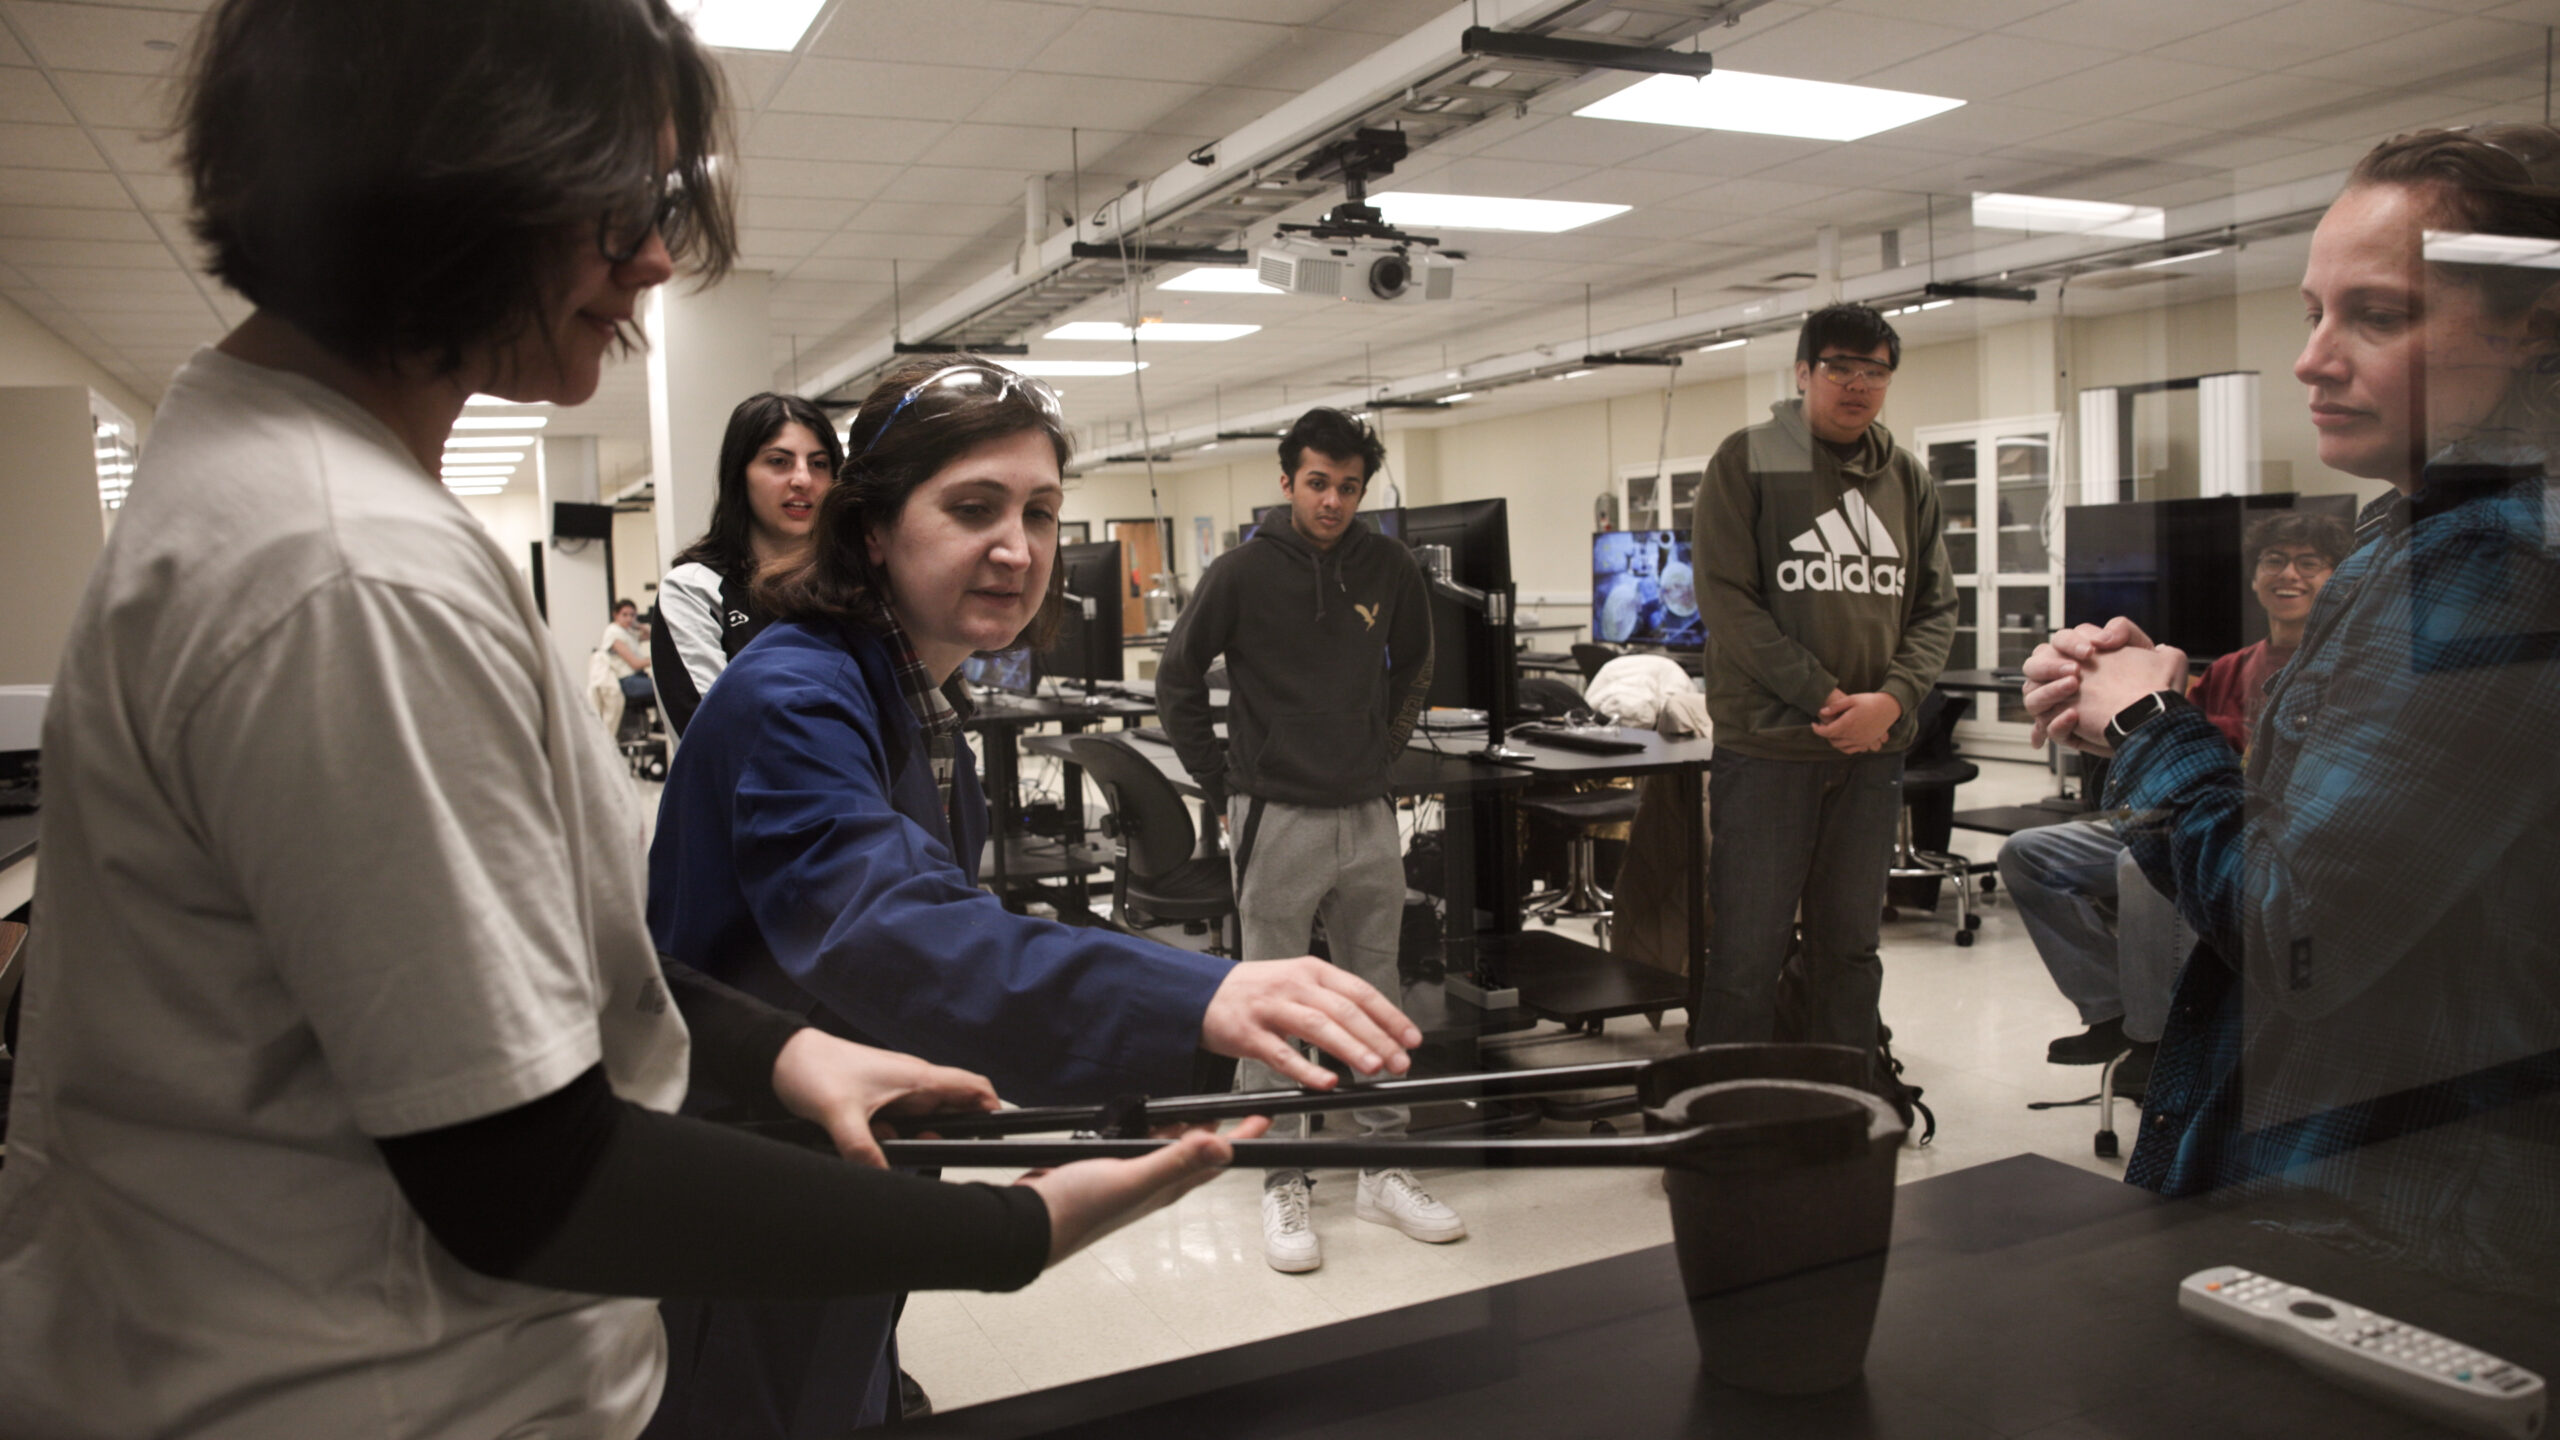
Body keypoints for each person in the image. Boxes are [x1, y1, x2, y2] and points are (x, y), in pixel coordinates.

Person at [0, 5, 1256, 1437]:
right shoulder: (346, 570)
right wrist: (1011, 1234)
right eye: (625, 201)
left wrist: (781, 1051)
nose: (657, 258)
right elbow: (529, 1178)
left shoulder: (282, 490)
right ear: (445, 171)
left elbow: (551, 987)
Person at [647, 361, 1425, 1432]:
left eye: (1041, 512)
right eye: (973, 509)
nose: (1018, 547)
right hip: (753, 1191)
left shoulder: (902, 692)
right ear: (870, 529)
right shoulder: (794, 697)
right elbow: (891, 926)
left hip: (842, 1160)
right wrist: (1195, 998)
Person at [2021, 125, 2560, 1292]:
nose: (2313, 359)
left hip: (2393, 1222)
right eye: (2312, 313)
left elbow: (2292, 929)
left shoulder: (2489, 569)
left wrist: (2145, 727)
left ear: (2533, 326)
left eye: (2374, 316)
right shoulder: (2421, 532)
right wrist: (2148, 689)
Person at [1156, 406, 1452, 1275]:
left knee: (1376, 992)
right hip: (1271, 812)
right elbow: (1178, 680)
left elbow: (1418, 667)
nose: (1332, 501)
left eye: (1349, 487)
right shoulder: (1240, 573)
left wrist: (1381, 754)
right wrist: (1222, 784)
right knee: (1273, 1006)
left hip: (1366, 811)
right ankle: (1280, 1170)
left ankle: (1380, 1163)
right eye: (1317, 483)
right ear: (1287, 481)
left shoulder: (1389, 565)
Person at [1999, 511, 2350, 1093]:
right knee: (2029, 854)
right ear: (2255, 575)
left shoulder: (2339, 670)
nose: (2289, 575)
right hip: (2184, 812)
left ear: (2335, 577)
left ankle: (2153, 1041)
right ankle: (2112, 1009)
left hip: (2259, 833)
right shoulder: (2230, 669)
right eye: (2274, 560)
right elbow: (2162, 752)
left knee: (2138, 865)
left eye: (2308, 563)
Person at [1691, 303, 1959, 1060]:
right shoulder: (1750, 460)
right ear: (1803, 372)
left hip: (1872, 753)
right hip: (1774, 749)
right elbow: (1728, 602)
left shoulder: (1905, 477)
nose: (1858, 385)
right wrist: (1825, 697)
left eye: (1876, 371)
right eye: (1841, 367)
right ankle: (1729, 1124)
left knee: (1850, 951)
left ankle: (1845, 1110)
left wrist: (1893, 700)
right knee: (1747, 955)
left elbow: (1937, 607)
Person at [653, 391, 839, 735]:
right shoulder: (695, 590)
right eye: (779, 461)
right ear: (741, 474)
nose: (803, 479)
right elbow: (712, 736)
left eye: (818, 463)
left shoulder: (856, 584)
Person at [592, 595, 655, 731]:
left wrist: (638, 625)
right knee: (664, 688)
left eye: (632, 615)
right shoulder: (614, 632)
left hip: (637, 678)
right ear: (615, 615)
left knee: (663, 686)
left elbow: (653, 635)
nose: (628, 618)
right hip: (629, 682)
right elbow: (635, 664)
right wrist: (656, 660)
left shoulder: (627, 632)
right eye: (624, 615)